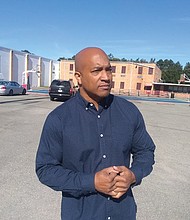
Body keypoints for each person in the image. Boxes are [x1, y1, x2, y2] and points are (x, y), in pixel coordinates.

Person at [35, 47, 156, 220]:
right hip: (81, 214)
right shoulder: (59, 119)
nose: (106, 77)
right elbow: (45, 169)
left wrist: (134, 175)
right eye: (96, 71)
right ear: (79, 77)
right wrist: (91, 182)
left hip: (123, 213)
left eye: (108, 70)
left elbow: (145, 151)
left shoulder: (129, 112)